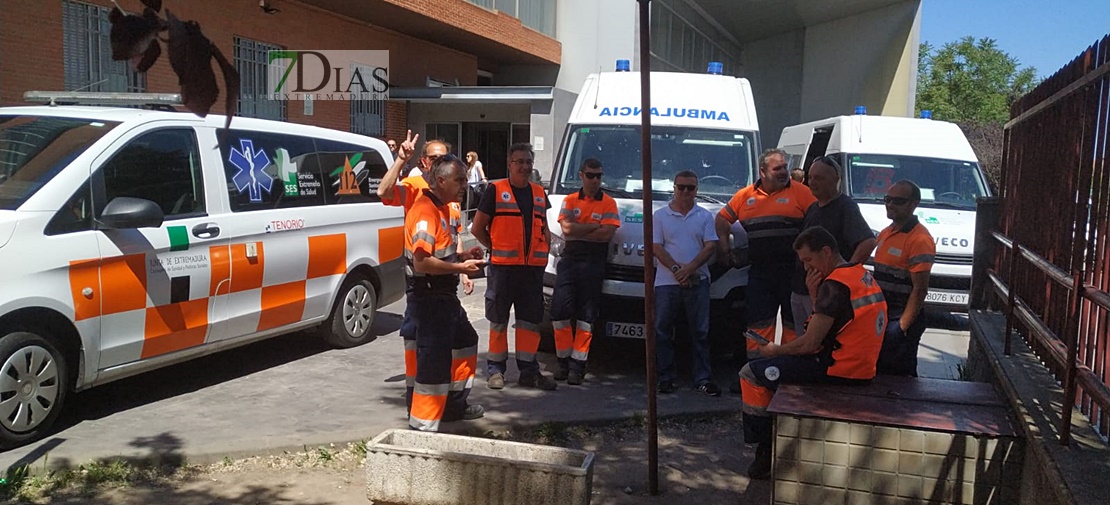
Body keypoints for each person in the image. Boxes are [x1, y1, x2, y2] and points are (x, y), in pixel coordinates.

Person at [740, 226, 887, 479]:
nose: (806, 266)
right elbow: (834, 323)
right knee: (781, 368)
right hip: (861, 365)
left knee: (751, 373)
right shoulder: (859, 274)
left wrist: (775, 350)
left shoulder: (835, 285)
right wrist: (813, 293)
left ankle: (765, 448)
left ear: (827, 252)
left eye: (809, 259)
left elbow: (810, 343)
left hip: (837, 368)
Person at [377, 131, 473, 410]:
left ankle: (451, 405)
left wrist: (463, 266)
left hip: (445, 279)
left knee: (456, 343)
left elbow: (451, 235)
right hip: (425, 282)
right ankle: (421, 410)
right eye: (435, 157)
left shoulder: (451, 193)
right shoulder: (418, 189)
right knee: (423, 350)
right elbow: (384, 193)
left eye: (444, 157)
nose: (441, 161)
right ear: (425, 162)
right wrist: (399, 160)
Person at [404, 155, 487, 431]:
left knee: (465, 341)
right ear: (440, 181)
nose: (465, 185)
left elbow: (441, 251)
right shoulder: (425, 212)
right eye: (459, 180)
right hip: (429, 296)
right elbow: (421, 262)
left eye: (465, 179)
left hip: (444, 295)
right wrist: (461, 265)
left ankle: (453, 406)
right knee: (434, 363)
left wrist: (462, 255)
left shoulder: (443, 209)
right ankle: (423, 428)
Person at [716, 149, 817, 363]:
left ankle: (791, 370)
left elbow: (817, 226)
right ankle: (756, 370)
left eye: (785, 167)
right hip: (760, 273)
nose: (783, 172)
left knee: (794, 324)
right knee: (758, 324)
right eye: (777, 168)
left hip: (793, 272)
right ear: (762, 171)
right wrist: (724, 248)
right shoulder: (745, 196)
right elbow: (722, 219)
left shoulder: (802, 193)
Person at [470, 142, 557, 391]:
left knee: (530, 322)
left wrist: (546, 246)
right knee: (498, 320)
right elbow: (477, 228)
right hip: (503, 269)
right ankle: (496, 370)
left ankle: (528, 371)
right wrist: (495, 247)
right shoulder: (496, 190)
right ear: (509, 164)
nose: (525, 166)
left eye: (528, 161)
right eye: (519, 161)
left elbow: (545, 228)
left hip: (532, 271)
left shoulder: (540, 193)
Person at [789, 156, 877, 336]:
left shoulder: (845, 206)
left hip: (824, 294)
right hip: (801, 288)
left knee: (817, 343)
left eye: (819, 178)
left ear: (836, 179)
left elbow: (868, 242)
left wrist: (843, 276)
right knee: (803, 343)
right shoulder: (814, 207)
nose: (812, 182)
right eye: (810, 177)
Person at [550, 158, 620, 385]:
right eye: (590, 175)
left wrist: (580, 228)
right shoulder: (570, 200)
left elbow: (606, 235)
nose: (595, 180)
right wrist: (593, 226)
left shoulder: (609, 202)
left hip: (594, 262)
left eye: (599, 176)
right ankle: (562, 362)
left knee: (586, 317)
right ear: (581, 175)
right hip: (570, 260)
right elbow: (567, 230)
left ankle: (577, 366)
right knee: (559, 311)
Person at [653, 171, 721, 396]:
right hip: (666, 282)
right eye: (680, 187)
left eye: (690, 188)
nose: (684, 192)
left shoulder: (704, 216)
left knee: (700, 332)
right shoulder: (660, 215)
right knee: (662, 330)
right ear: (673, 188)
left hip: (698, 280)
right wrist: (676, 270)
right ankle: (665, 378)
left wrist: (689, 269)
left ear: (696, 191)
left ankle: (702, 378)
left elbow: (711, 245)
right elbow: (656, 247)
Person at [874, 180, 934, 377]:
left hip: (900, 317)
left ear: (913, 204)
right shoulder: (886, 233)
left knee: (900, 378)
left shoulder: (920, 239)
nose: (890, 204)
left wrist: (902, 327)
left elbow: (920, 289)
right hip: (884, 315)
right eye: (887, 199)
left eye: (898, 201)